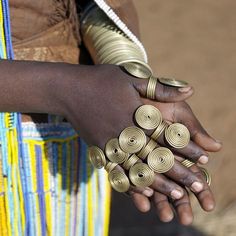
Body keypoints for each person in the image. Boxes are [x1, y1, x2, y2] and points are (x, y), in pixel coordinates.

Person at [0, 0, 222, 235]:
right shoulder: (77, 95)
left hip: (73, 138)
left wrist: (128, 78)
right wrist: (69, 90)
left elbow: (90, 4)